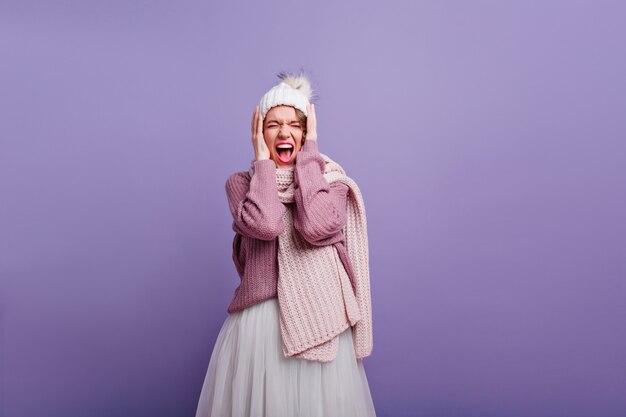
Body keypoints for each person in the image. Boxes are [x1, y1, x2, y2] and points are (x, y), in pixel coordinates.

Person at [194, 71, 376, 417]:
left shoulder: (330, 182)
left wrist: (309, 159)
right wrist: (262, 163)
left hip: (322, 321)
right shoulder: (241, 184)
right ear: (259, 133)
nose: (284, 132)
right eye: (273, 124)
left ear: (306, 133)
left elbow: (316, 226)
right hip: (260, 329)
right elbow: (266, 224)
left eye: (295, 125)